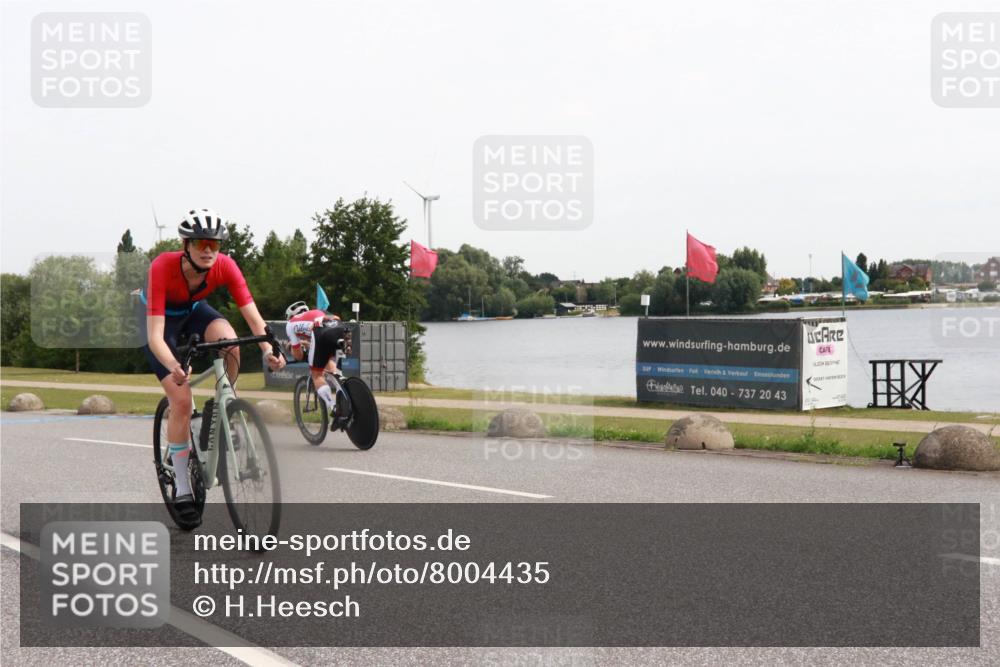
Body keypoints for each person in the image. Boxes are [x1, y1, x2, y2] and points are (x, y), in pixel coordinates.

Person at [142, 208, 285, 521]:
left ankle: (225, 407)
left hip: (194, 311)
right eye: (201, 243)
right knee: (181, 400)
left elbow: (254, 317)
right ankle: (182, 487)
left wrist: (268, 349)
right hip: (161, 323)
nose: (208, 250)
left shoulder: (225, 266)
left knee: (230, 343)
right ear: (186, 245)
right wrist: (174, 365)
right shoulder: (162, 266)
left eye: (215, 244)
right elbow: (155, 337)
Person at [284, 300, 351, 425]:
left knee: (317, 374)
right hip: (340, 327)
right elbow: (333, 320)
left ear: (290, 316)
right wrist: (308, 344)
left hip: (321, 332)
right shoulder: (315, 312)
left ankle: (334, 407)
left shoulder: (290, 324)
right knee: (333, 370)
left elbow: (298, 355)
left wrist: (295, 350)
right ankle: (346, 395)